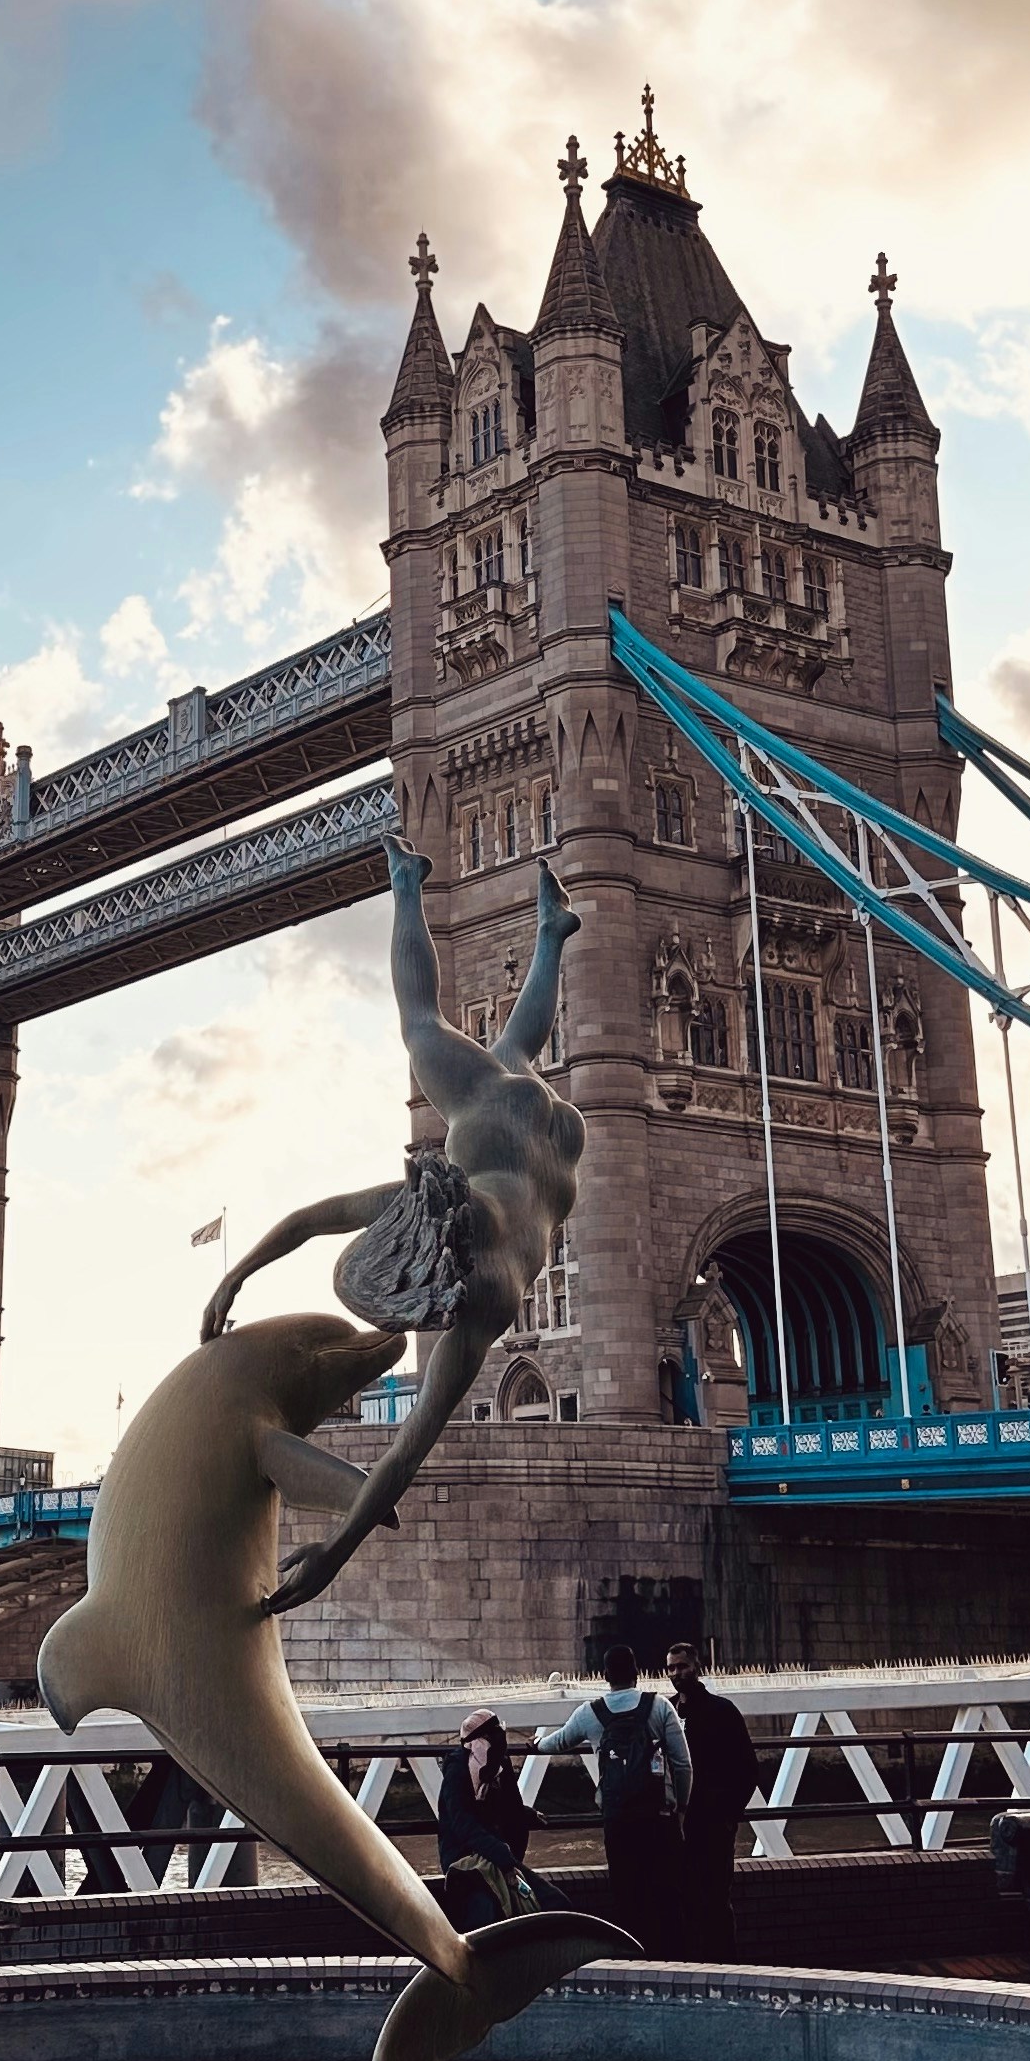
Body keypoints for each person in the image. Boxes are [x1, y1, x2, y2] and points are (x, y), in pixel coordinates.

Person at [200, 835, 584, 1613]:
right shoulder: (439, 1209)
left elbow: (404, 1457)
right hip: (507, 1122)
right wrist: (236, 1275)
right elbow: (314, 1219)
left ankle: (531, 925)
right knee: (439, 1030)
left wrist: (337, 1555)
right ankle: (419, 884)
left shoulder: (483, 1310)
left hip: (561, 1151)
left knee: (484, 1039)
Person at [534, 1643, 691, 1951]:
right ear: (636, 1673)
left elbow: (559, 1742)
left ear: (605, 1676)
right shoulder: (659, 1707)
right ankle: (674, 1963)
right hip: (658, 1817)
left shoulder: (590, 1713)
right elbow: (683, 1763)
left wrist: (536, 1743)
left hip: (618, 1819)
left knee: (627, 1893)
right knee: (668, 1894)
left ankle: (634, 1960)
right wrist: (681, 1808)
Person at [664, 1639, 760, 1958]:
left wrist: (730, 1814)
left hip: (714, 1823)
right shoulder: (665, 1711)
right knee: (684, 1898)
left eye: (683, 1666)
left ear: (697, 1667)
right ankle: (695, 1965)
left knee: (716, 1898)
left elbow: (748, 1768)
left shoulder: (721, 1711)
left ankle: (725, 1964)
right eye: (671, 1668)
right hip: (678, 1827)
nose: (677, 1673)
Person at [435, 1707, 552, 1933]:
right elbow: (463, 1824)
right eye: (494, 1734)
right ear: (479, 1742)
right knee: (486, 1915)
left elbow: (509, 1803)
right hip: (467, 1861)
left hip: (499, 1856)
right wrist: (502, 1856)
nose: (500, 1739)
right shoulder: (458, 1770)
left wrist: (526, 1814)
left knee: (554, 1902)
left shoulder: (498, 1762)